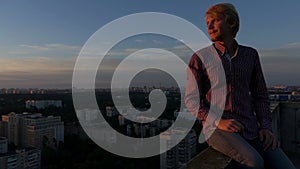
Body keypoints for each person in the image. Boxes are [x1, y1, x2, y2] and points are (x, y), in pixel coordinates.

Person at [185, 3, 296, 169]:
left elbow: (260, 95)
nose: (209, 26)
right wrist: (218, 121)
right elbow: (191, 100)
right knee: (254, 162)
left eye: (215, 20)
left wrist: (266, 127)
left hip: (251, 128)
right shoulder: (200, 57)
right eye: (207, 22)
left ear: (231, 23)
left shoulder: (250, 55)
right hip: (217, 129)